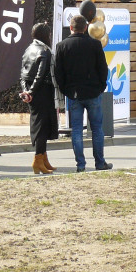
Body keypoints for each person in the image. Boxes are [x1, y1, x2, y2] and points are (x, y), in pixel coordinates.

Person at [52, 14, 112, 172]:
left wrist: (66, 90)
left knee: (77, 130)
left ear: (71, 28)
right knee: (97, 129)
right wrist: (101, 86)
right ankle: (100, 162)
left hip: (73, 94)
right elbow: (103, 69)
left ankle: (80, 165)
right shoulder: (95, 44)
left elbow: (58, 73)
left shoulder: (61, 46)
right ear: (86, 28)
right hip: (93, 92)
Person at [20, 22, 63, 174]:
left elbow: (23, 74)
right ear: (46, 36)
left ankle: (43, 158)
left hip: (33, 94)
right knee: (42, 127)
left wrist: (26, 92)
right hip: (43, 92)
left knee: (38, 125)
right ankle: (38, 160)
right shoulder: (45, 51)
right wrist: (31, 91)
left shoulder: (28, 49)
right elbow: (41, 74)